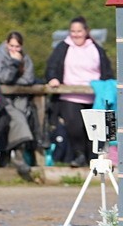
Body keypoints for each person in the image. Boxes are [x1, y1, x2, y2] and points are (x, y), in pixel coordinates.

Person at [44, 16, 112, 167]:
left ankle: (93, 159)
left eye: (79, 31)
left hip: (94, 96)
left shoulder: (96, 48)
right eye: (73, 31)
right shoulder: (63, 47)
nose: (76, 34)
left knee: (94, 131)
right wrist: (53, 78)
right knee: (75, 127)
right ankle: (79, 155)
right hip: (70, 95)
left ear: (86, 31)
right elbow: (51, 67)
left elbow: (107, 71)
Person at [0, 31, 38, 176]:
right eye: (11, 46)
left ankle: (15, 159)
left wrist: (14, 81)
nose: (14, 49)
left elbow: (29, 79)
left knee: (22, 117)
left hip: (19, 99)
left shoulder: (25, 58)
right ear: (6, 43)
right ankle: (16, 160)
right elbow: (4, 78)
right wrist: (14, 64)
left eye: (17, 46)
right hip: (0, 99)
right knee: (17, 121)